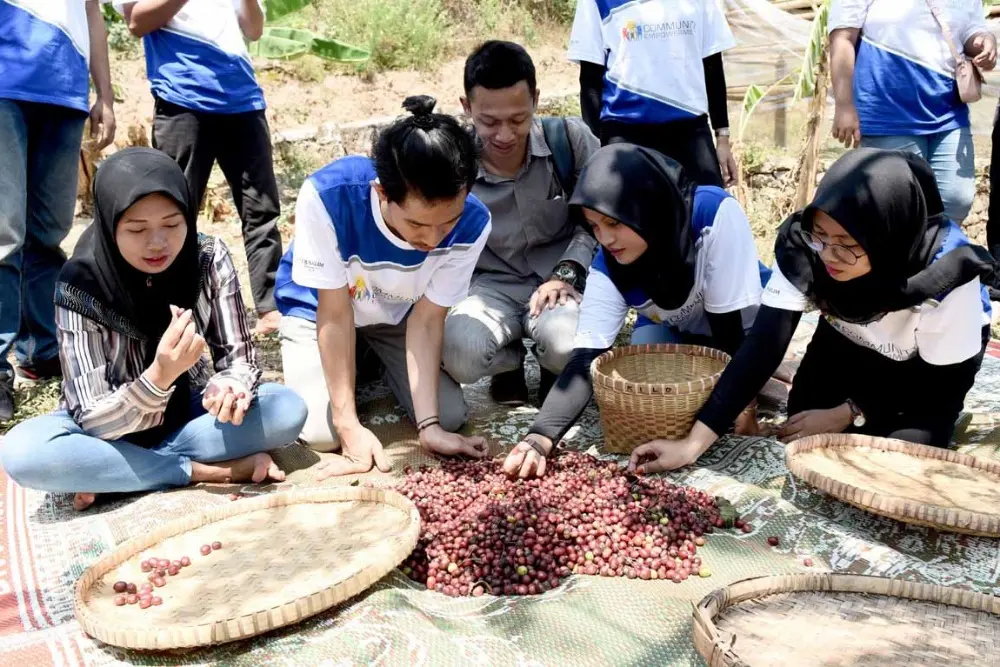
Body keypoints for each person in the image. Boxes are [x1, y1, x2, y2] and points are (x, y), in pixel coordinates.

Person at [629, 149, 996, 475]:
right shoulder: (806, 249)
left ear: (885, 238)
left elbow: (936, 389)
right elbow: (761, 347)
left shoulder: (948, 282)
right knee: (802, 423)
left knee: (900, 464)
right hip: (849, 332)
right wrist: (692, 444)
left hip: (927, 370)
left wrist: (850, 411)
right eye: (820, 236)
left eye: (847, 245)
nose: (829, 256)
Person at [0, 149, 306, 510]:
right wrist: (159, 376)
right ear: (109, 222)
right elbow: (93, 418)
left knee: (286, 409)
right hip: (103, 426)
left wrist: (230, 387)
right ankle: (201, 471)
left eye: (173, 225)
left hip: (187, 413)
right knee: (23, 453)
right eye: (137, 229)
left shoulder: (206, 257)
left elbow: (239, 358)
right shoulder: (80, 283)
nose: (157, 243)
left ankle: (116, 473)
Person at [503, 144, 767, 479]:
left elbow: (728, 331)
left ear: (646, 207)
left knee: (730, 389)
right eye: (594, 226)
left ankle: (767, 374)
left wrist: (746, 405)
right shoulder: (608, 265)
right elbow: (585, 360)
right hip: (677, 326)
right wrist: (539, 438)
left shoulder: (712, 214)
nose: (606, 238)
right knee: (661, 386)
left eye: (614, 222)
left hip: (740, 322)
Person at [275, 96, 492, 476]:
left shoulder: (473, 223)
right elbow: (335, 311)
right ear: (382, 194)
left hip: (396, 315)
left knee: (450, 415)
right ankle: (350, 365)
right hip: (322, 311)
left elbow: (426, 320)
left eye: (448, 222)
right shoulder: (328, 197)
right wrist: (349, 426)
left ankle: (367, 358)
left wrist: (429, 427)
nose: (436, 239)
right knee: (320, 433)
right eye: (418, 225)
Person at [442, 41, 600, 406]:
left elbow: (602, 220)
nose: (504, 135)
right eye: (489, 122)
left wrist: (568, 271)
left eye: (518, 119)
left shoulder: (569, 141)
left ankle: (551, 363)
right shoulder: (453, 162)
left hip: (560, 283)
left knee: (567, 344)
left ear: (536, 100)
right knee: (458, 352)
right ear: (467, 108)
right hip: (489, 287)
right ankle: (507, 363)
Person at [115, 0, 284, 335]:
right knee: (173, 211)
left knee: (261, 210)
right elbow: (137, 22)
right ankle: (171, 309)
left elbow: (254, 29)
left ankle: (270, 308)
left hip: (244, 99)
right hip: (183, 99)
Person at [0, 0, 117, 421]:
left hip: (65, 89)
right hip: (5, 82)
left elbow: (92, 12)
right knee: (4, 236)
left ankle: (43, 350)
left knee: (48, 235)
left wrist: (104, 93)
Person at [829, 0, 996, 224]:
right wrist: (844, 105)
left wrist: (984, 42)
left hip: (948, 110)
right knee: (899, 206)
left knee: (957, 199)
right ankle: (903, 258)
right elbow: (842, 38)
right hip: (888, 112)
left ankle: (937, 256)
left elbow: (971, 28)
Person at [567, 0, 738, 187]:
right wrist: (598, 152)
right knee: (629, 215)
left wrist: (722, 138)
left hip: (690, 131)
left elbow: (712, 63)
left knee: (710, 206)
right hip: (624, 133)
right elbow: (590, 81)